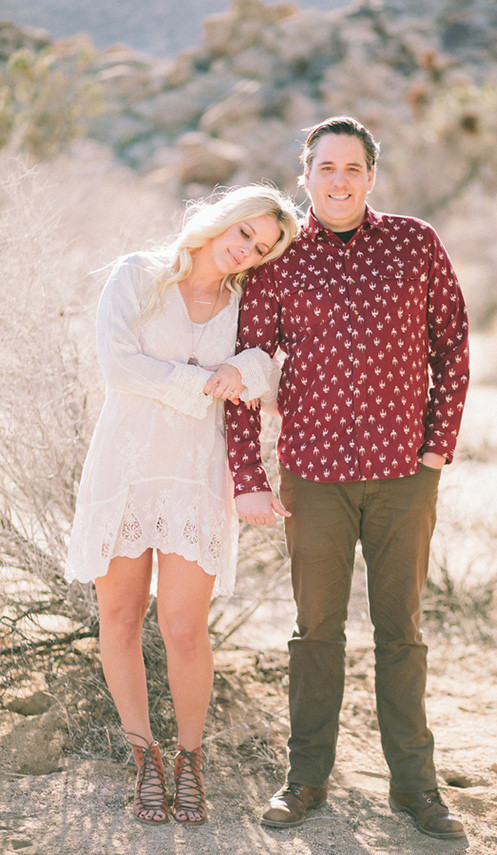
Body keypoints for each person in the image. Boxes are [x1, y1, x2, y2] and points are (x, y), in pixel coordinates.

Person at [225, 117, 470, 840]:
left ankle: (416, 789)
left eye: (352, 168)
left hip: (404, 475)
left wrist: (436, 450)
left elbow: (453, 344)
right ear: (306, 175)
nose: (339, 180)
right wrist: (248, 473)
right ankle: (305, 778)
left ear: (371, 175)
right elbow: (246, 371)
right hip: (314, 475)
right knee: (315, 632)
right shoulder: (278, 260)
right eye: (325, 167)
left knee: (402, 632)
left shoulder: (415, 243)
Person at [65, 184, 299, 825]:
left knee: (185, 631)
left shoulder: (246, 303)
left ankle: (189, 760)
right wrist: (206, 381)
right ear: (222, 220)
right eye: (244, 233)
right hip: (126, 470)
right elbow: (118, 366)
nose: (245, 250)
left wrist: (246, 370)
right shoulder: (139, 276)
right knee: (119, 619)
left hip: (197, 476)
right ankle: (145, 761)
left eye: (261, 247)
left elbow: (270, 372)